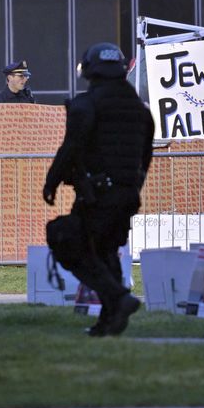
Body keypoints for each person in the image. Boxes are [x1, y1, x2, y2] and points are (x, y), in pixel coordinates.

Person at [43, 42, 153, 337]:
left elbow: (71, 147)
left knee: (66, 239)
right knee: (106, 251)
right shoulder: (141, 110)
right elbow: (145, 158)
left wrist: (51, 181)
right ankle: (110, 320)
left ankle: (117, 298)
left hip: (98, 193)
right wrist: (131, 188)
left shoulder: (86, 105)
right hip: (128, 194)